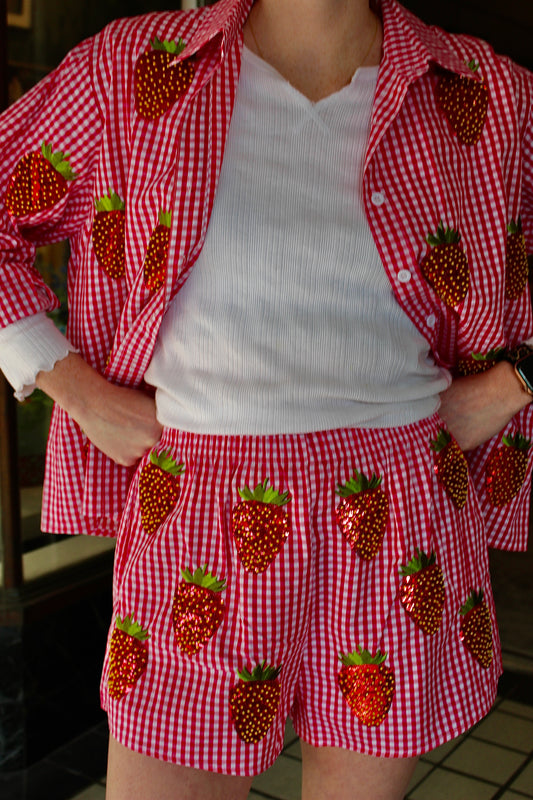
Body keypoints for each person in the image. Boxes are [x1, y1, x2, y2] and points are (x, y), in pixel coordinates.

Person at [0, 0, 532, 797]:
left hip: (404, 500)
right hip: (196, 503)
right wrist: (69, 384)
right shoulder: (135, 69)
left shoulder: (485, 91)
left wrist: (512, 387)